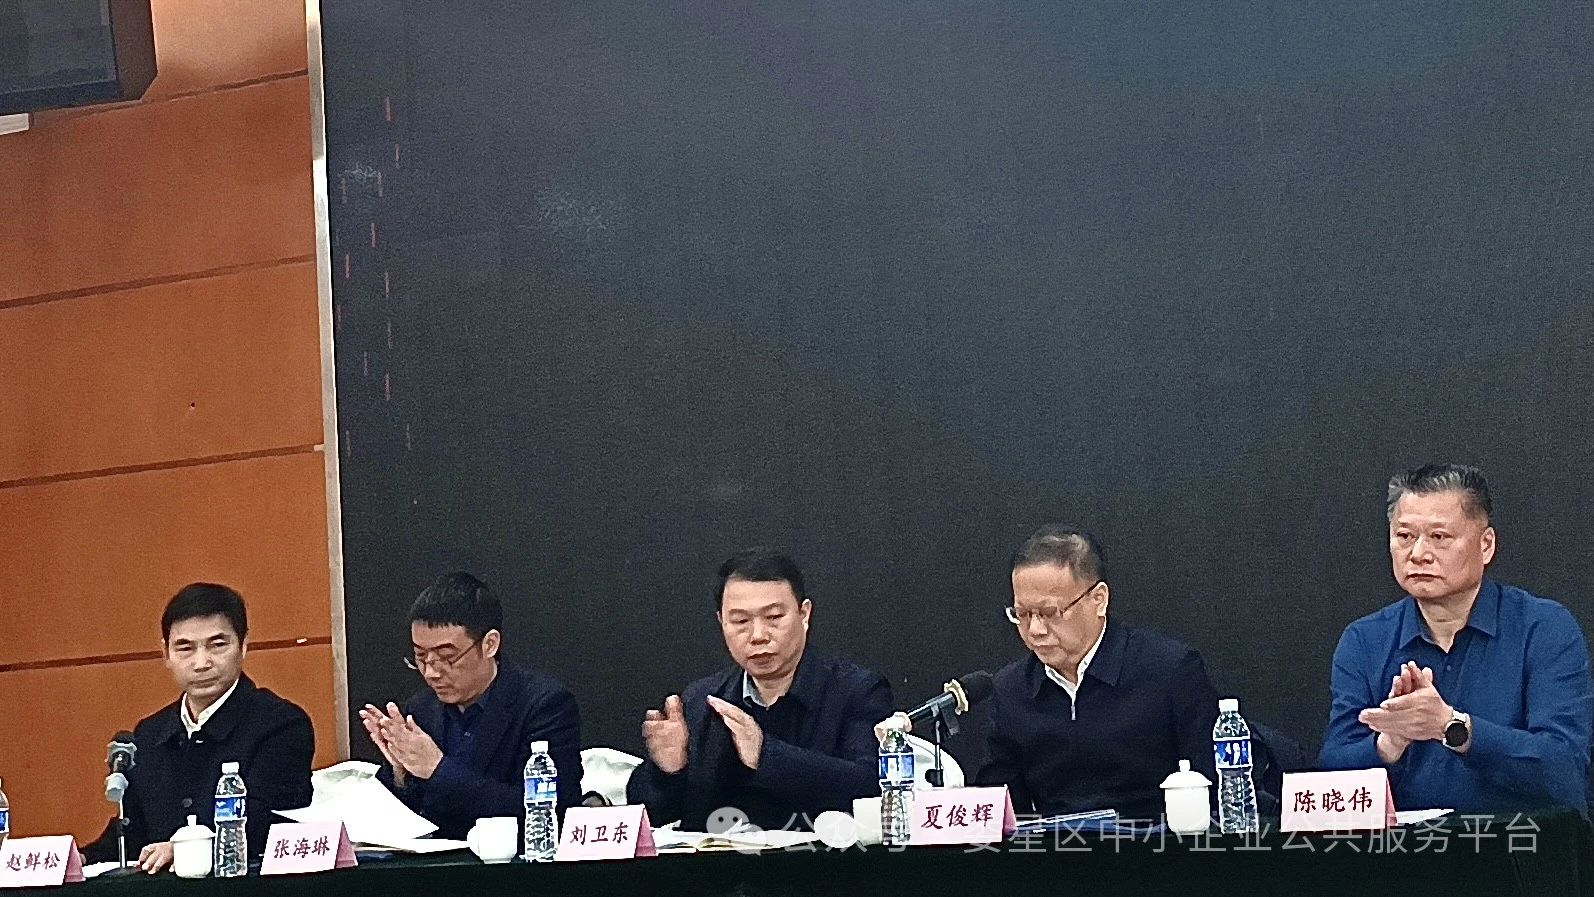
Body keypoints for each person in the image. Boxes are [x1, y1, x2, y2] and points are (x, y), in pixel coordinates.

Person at [1320, 463, 1591, 813]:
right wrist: (1390, 742)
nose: (1418, 553)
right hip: (1403, 846)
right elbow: (1328, 779)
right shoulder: (1364, 641)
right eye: (1404, 536)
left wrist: (1452, 727)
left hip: (1517, 842)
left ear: (1486, 545)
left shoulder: (1543, 628)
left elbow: (1564, 769)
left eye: (1439, 537)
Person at [626, 548, 893, 831]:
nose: (758, 636)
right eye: (741, 621)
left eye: (774, 617)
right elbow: (648, 816)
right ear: (721, 622)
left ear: (804, 614)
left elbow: (873, 787)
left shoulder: (858, 691)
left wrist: (765, 755)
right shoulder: (701, 700)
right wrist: (668, 772)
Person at [976, 526, 1221, 819]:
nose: (1035, 630)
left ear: (1099, 599)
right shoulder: (1011, 690)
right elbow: (1000, 814)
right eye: (1023, 614)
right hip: (1056, 844)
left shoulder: (1169, 671)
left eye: (1050, 613)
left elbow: (1217, 792)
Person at [84, 584, 314, 872]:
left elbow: (267, 825)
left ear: (243, 645)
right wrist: (80, 858)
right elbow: (132, 831)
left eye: (218, 645)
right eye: (185, 648)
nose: (201, 663)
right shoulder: (150, 734)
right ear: (165, 653)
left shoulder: (281, 725)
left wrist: (188, 848)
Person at [360, 572, 581, 839]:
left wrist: (437, 770)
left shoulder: (544, 706)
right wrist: (400, 776)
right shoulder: (419, 711)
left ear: (489, 644)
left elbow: (550, 813)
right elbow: (400, 819)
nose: (431, 672)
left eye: (447, 657)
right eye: (420, 657)